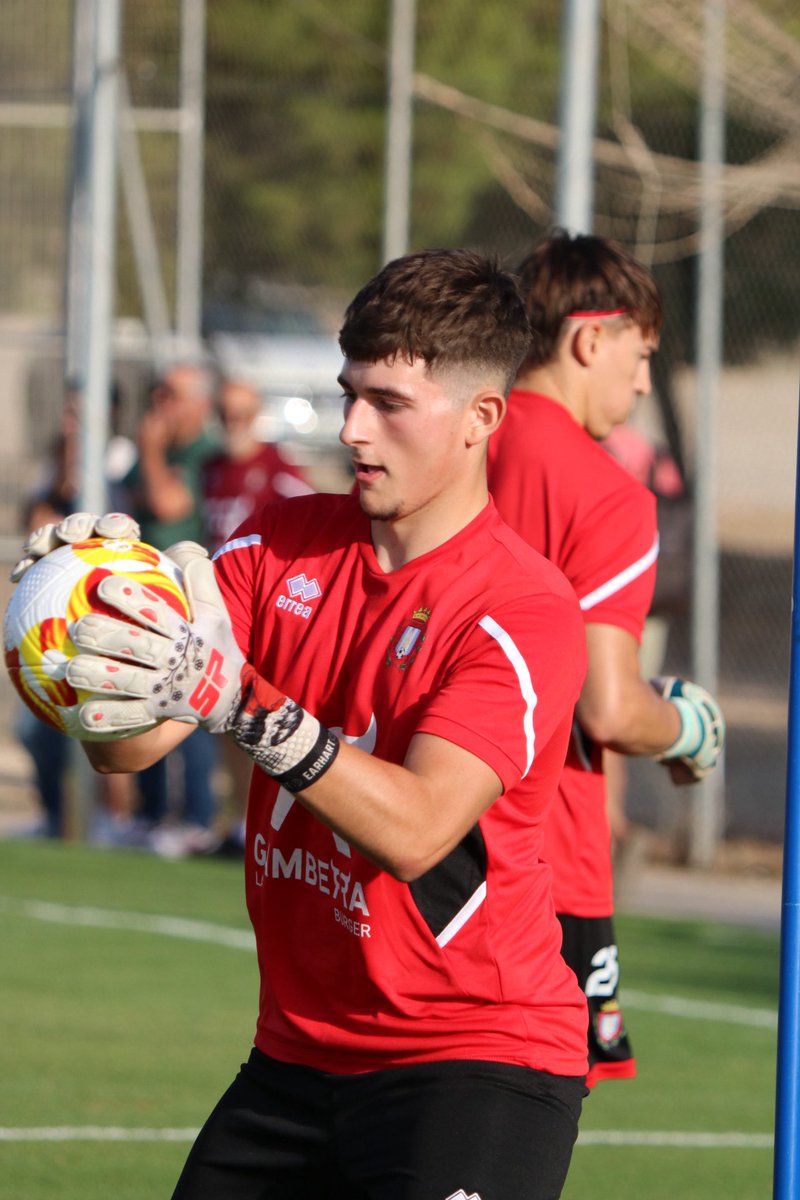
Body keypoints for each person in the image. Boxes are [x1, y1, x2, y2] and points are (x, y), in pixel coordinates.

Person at [21, 249, 593, 1199]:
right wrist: (88, 631)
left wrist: (238, 699)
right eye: (347, 393)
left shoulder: (522, 609)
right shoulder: (277, 545)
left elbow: (416, 831)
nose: (352, 429)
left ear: (480, 420)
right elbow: (131, 745)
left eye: (390, 404)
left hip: (474, 1057)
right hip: (296, 1057)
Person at [486, 228, 725, 1088]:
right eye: (642, 352)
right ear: (592, 338)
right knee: (514, 1127)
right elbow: (609, 709)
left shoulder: (451, 446)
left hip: (407, 822)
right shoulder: (608, 495)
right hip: (539, 855)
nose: (644, 380)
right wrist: (689, 727)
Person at [200, 376, 313, 856]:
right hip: (215, 604)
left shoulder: (275, 469)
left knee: (254, 714)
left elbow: (315, 512)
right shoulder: (212, 468)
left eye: (241, 414)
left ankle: (259, 825)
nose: (233, 424)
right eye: (226, 414)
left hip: (258, 609)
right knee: (222, 721)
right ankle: (235, 819)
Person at [123, 362, 221, 845]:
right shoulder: (155, 454)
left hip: (190, 601)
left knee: (189, 707)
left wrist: (149, 447)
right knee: (143, 699)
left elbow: (166, 503)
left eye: (173, 394)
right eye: (158, 392)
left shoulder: (206, 455)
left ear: (200, 403)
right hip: (146, 600)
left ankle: (196, 821)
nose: (162, 403)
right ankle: (151, 812)